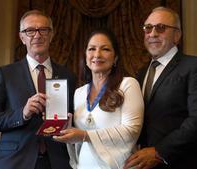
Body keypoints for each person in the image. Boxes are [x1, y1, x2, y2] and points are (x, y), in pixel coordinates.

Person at [123, 7, 197, 169]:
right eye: (148, 28)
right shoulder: (139, 74)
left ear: (177, 36)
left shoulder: (196, 66)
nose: (152, 34)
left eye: (160, 28)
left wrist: (159, 152)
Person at [0, 10, 75, 169]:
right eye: (30, 31)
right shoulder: (5, 74)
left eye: (43, 30)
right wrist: (22, 113)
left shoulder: (68, 75)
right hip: (15, 161)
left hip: (57, 161)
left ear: (51, 35)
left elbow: (76, 119)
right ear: (22, 37)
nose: (37, 35)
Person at [53, 28, 144, 169]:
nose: (97, 54)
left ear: (116, 58)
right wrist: (64, 128)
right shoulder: (79, 93)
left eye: (105, 49)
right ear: (85, 56)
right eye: (92, 49)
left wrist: (85, 135)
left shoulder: (128, 84)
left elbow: (131, 131)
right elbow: (78, 141)